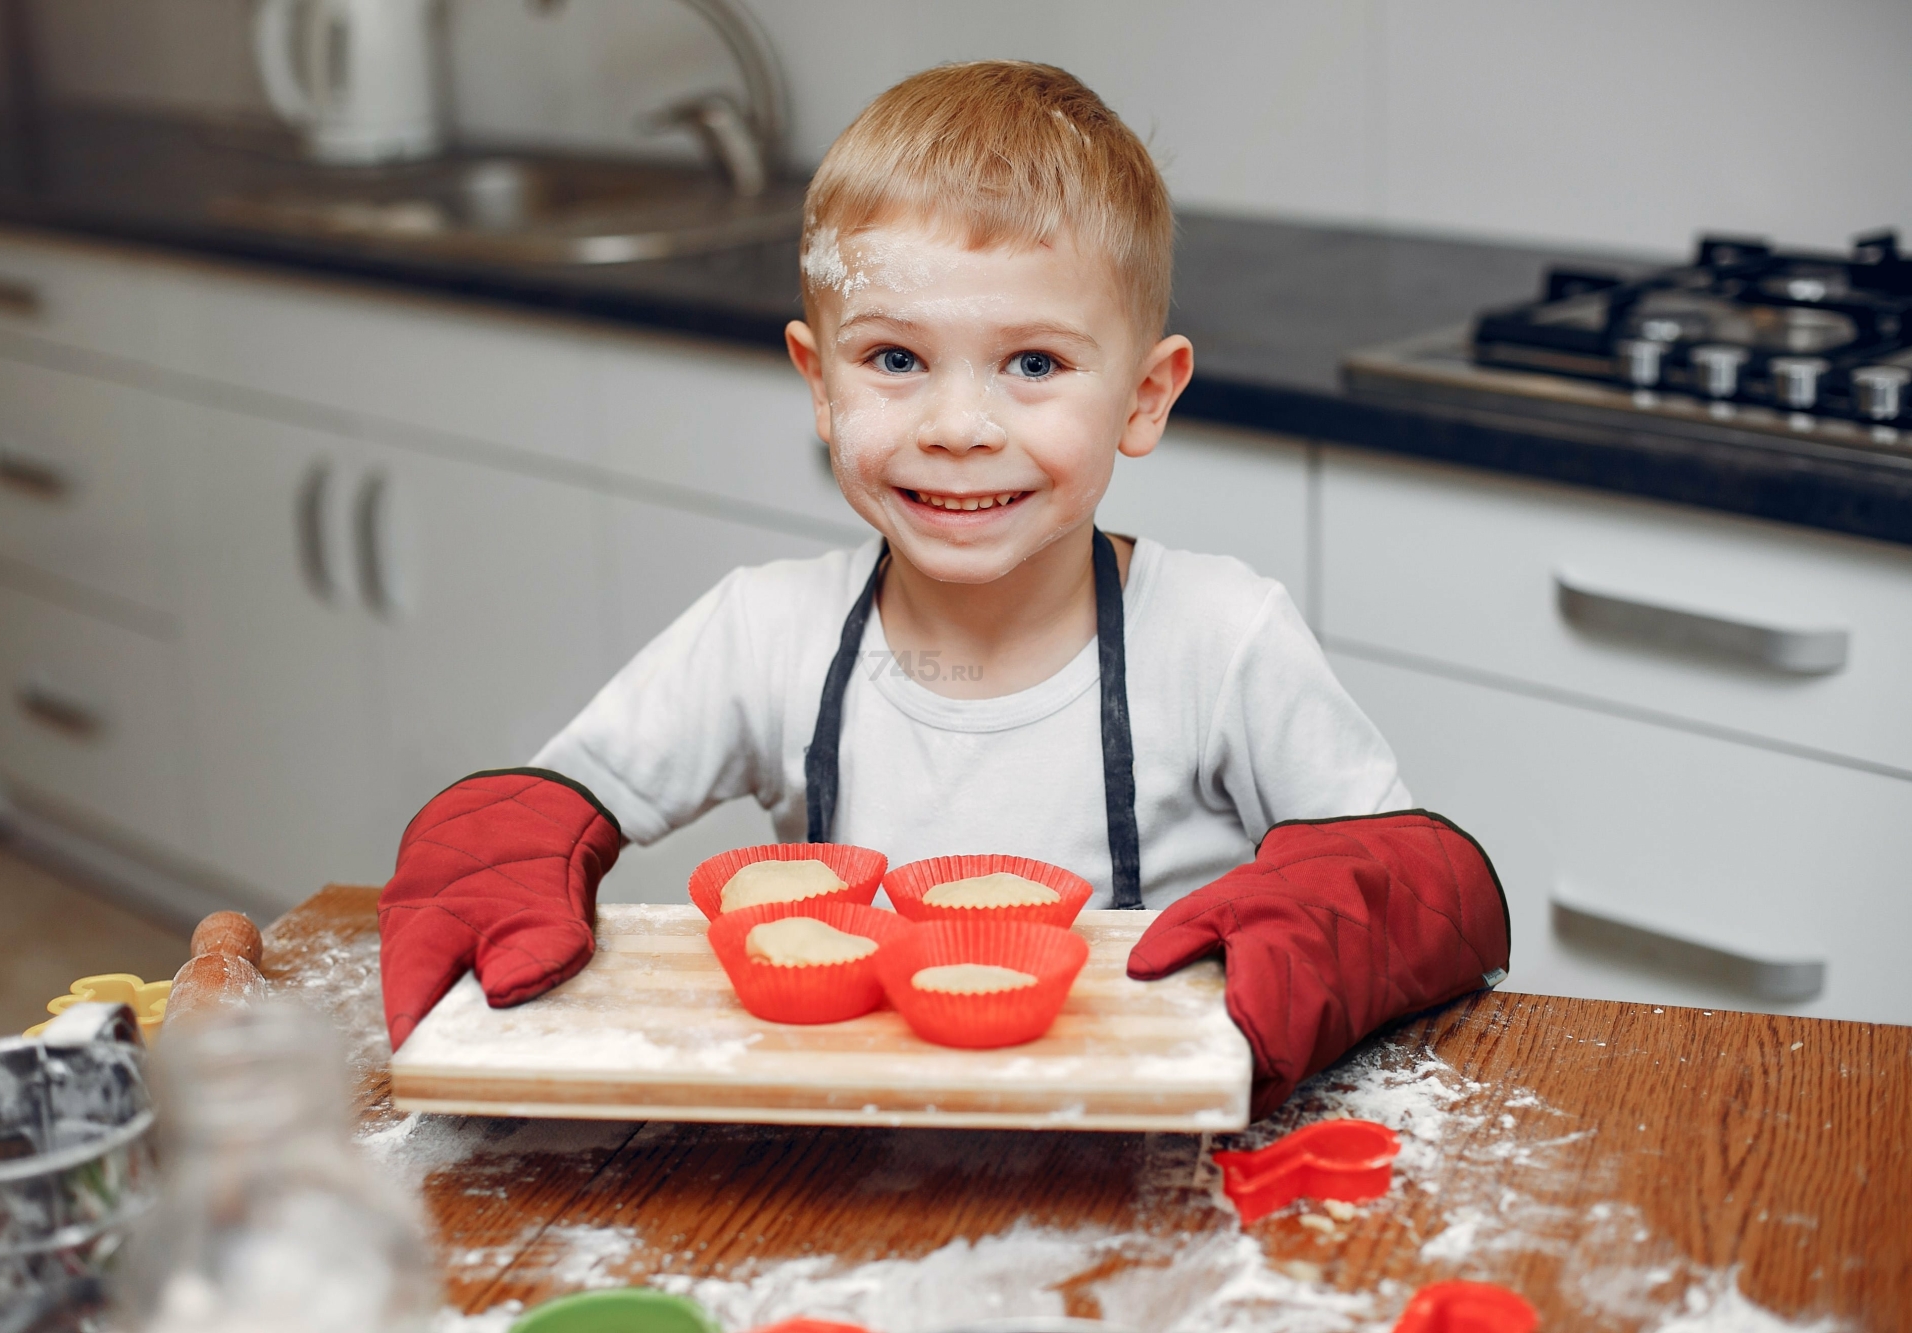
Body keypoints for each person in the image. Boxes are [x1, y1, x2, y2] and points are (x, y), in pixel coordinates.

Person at [377, 61, 1509, 1118]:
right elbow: (548, 806)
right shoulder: (763, 631)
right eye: (894, 360)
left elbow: (1406, 883)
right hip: (841, 1140)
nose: (957, 429)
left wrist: (1346, 917)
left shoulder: (1219, 639)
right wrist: (500, 843)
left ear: (1144, 397)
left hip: (1141, 1148)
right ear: (818, 387)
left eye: (1033, 364)